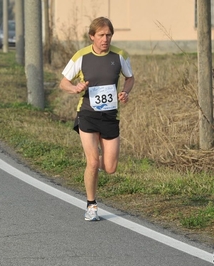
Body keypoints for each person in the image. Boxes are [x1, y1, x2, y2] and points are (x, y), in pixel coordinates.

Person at [59, 17, 135, 221]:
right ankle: (91, 205)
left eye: (109, 35)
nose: (105, 39)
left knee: (110, 167)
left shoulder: (119, 55)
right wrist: (75, 88)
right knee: (93, 162)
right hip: (87, 114)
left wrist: (125, 92)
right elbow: (64, 82)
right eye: (101, 35)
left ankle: (91, 170)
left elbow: (130, 78)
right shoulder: (81, 56)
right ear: (92, 36)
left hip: (110, 116)